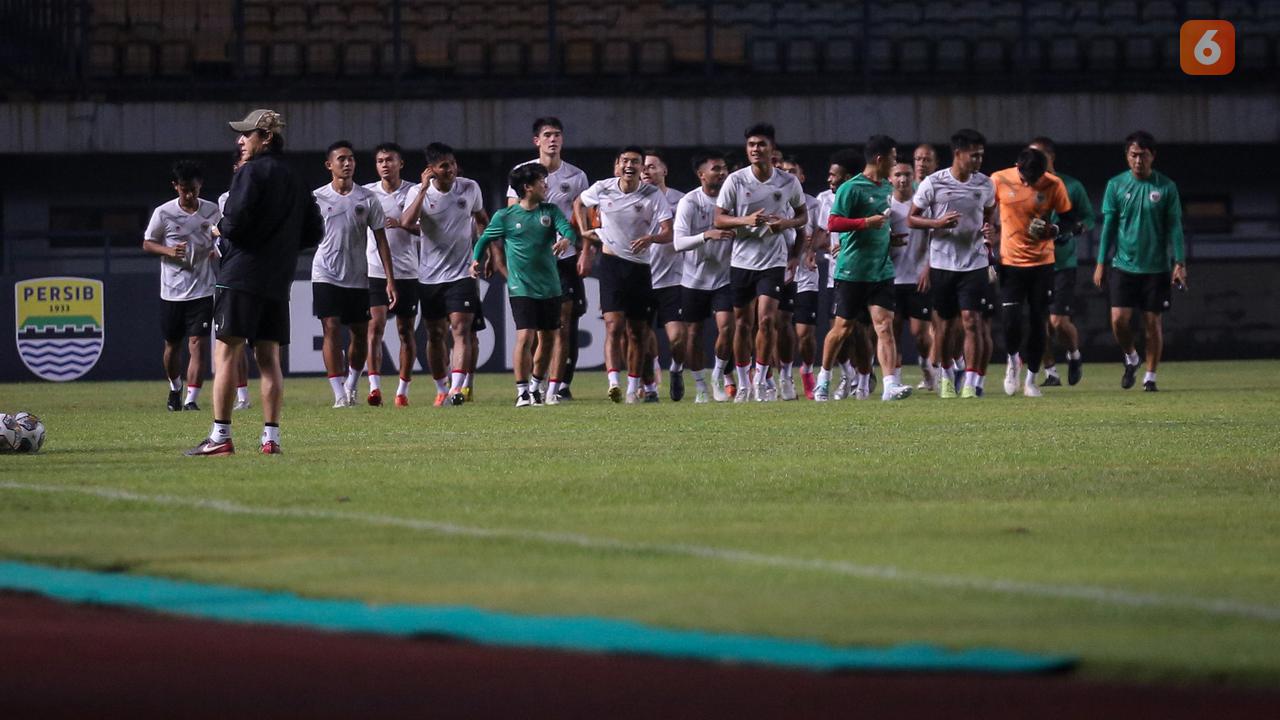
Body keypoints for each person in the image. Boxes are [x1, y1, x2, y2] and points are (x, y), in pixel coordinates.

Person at [186, 109, 322, 455]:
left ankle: (220, 437)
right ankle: (271, 439)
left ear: (266, 138)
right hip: (278, 278)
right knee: (269, 358)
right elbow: (314, 230)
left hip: (241, 275)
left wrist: (221, 229)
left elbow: (236, 223)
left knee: (227, 351)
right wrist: (280, 245)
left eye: (247, 135)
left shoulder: (249, 172)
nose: (240, 140)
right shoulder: (296, 177)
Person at [713, 123, 808, 403]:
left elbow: (803, 217)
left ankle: (761, 379)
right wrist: (745, 220)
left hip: (773, 261)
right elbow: (719, 219)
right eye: (751, 145)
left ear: (772, 149)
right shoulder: (736, 181)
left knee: (767, 320)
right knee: (742, 324)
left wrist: (785, 223)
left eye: (761, 145)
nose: (756, 149)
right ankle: (742, 383)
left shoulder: (788, 182)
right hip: (742, 261)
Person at [814, 135, 912, 402]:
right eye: (893, 157)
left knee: (884, 326)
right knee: (843, 329)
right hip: (852, 271)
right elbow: (833, 223)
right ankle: (823, 378)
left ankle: (890, 384)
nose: (895, 161)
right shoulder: (851, 188)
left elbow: (879, 224)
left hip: (880, 270)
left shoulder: (884, 189)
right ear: (880, 159)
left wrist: (887, 237)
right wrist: (865, 223)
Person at [576, 146, 674, 404]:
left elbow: (668, 231)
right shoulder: (602, 187)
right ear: (617, 165)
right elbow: (580, 202)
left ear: (642, 168)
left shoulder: (652, 195)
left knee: (637, 332)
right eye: (625, 161)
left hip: (640, 267)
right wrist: (588, 230)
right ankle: (613, 383)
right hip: (610, 264)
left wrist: (651, 238)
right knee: (613, 325)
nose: (630, 165)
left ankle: (634, 386)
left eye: (636, 162)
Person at [473, 163, 574, 406]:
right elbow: (485, 238)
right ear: (528, 187)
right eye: (542, 181)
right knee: (526, 336)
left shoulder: (550, 211)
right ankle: (521, 392)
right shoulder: (505, 216)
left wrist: (566, 241)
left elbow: (568, 229)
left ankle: (536, 386)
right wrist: (475, 260)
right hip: (521, 287)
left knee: (548, 338)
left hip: (550, 286)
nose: (546, 185)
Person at [1093, 130, 1186, 392]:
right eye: (1133, 155)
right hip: (1123, 265)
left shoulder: (1166, 187)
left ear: (1152, 156)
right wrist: (1101, 262)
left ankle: (1150, 377)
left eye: (1143, 155)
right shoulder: (1116, 185)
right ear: (1127, 156)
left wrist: (1180, 262)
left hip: (1156, 267)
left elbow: (1175, 228)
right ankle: (1131, 356)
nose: (1138, 160)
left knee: (1152, 323)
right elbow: (1109, 226)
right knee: (1118, 320)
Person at [507, 117, 590, 402]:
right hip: (532, 263)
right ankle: (532, 385)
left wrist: (581, 247)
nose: (553, 140)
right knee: (532, 331)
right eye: (547, 135)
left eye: (557, 134)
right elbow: (511, 215)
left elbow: (582, 217)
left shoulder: (576, 176)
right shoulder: (523, 173)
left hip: (564, 258)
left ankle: (558, 386)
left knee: (562, 324)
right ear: (537, 141)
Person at [909, 128, 996, 399]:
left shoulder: (985, 184)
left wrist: (990, 231)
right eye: (974, 155)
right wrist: (936, 223)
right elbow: (912, 218)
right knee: (944, 326)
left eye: (981, 155)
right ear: (958, 154)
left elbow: (989, 215)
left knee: (971, 321)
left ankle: (970, 383)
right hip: (943, 263)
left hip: (975, 263)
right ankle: (946, 375)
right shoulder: (934, 183)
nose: (979, 160)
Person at [402, 142, 489, 406]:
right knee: (435, 334)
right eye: (443, 166)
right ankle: (441, 387)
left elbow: (483, 219)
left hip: (462, 273)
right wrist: (422, 191)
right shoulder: (418, 192)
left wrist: (482, 254)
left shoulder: (469, 188)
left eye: (452, 164)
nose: (450, 169)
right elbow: (406, 223)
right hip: (429, 276)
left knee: (461, 329)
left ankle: (457, 390)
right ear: (431, 170)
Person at [312, 140, 398, 408]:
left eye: (351, 158)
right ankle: (338, 393)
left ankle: (351, 384)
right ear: (329, 165)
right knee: (331, 328)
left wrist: (389, 280)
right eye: (341, 159)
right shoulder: (317, 198)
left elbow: (381, 240)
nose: (347, 163)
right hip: (325, 272)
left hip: (358, 276)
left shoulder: (367, 198)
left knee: (360, 334)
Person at [991, 147, 1077, 398]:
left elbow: (1069, 218)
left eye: (1038, 176)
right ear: (1018, 167)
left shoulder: (1053, 184)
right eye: (1029, 176)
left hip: (1042, 264)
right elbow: (985, 210)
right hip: (1010, 262)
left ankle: (1031, 379)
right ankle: (1012, 361)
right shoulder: (998, 179)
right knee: (1010, 321)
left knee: (1039, 322)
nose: (1033, 181)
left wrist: (1056, 230)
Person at [143, 160, 220, 412]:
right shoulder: (163, 213)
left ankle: (191, 400)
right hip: (172, 291)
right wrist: (168, 250)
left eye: (194, 189)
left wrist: (217, 250)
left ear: (201, 186)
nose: (189, 194)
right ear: (175, 186)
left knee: (197, 343)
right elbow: (147, 243)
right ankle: (176, 388)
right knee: (172, 346)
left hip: (203, 288)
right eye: (184, 189)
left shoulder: (212, 210)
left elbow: (220, 238)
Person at [1027, 136, 1094, 388]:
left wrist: (1073, 229)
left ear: (1050, 157)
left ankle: (1074, 355)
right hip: (1033, 262)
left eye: (1038, 156)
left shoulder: (1071, 186)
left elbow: (1088, 218)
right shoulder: (1026, 186)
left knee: (1057, 321)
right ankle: (1051, 372)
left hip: (1063, 262)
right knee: (1039, 322)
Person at [675, 150, 736, 403]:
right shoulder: (689, 202)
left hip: (724, 277)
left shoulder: (733, 202)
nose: (722, 173)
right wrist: (706, 235)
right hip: (693, 280)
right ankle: (700, 386)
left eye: (724, 168)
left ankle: (718, 376)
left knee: (727, 327)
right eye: (715, 169)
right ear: (701, 175)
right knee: (693, 334)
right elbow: (678, 243)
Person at [363, 142, 420, 407]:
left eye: (390, 160)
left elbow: (425, 229)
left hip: (407, 271)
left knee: (406, 331)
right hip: (374, 269)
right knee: (375, 326)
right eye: (380, 161)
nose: (385, 164)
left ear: (401, 163)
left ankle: (402, 391)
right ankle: (374, 387)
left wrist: (404, 225)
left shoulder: (414, 191)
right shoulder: (367, 193)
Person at [814, 149, 863, 399]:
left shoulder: (866, 195)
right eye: (829, 175)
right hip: (839, 274)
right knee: (839, 327)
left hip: (867, 272)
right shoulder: (824, 199)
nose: (829, 180)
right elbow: (822, 234)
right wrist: (821, 247)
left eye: (834, 175)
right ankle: (847, 375)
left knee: (863, 330)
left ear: (848, 177)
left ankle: (864, 378)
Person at [642, 150, 690, 401]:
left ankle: (676, 369)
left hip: (673, 279)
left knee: (678, 340)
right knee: (643, 340)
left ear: (664, 170)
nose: (646, 171)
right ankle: (649, 382)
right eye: (644, 167)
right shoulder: (633, 199)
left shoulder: (681, 201)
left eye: (652, 166)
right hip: (642, 278)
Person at [886, 161, 933, 390]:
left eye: (906, 175)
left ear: (913, 177)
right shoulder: (885, 206)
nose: (902, 179)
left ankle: (926, 365)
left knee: (920, 334)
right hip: (892, 278)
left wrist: (928, 267)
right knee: (892, 330)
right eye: (898, 175)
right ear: (890, 179)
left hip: (917, 277)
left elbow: (935, 238)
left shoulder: (921, 204)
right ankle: (894, 378)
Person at [779, 156, 819, 401]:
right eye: (784, 171)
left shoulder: (814, 204)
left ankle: (807, 369)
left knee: (804, 333)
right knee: (780, 328)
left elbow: (823, 235)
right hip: (781, 273)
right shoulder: (775, 200)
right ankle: (784, 375)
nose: (789, 175)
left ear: (801, 177)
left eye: (793, 171)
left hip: (806, 275)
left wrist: (812, 247)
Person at [215, 154, 253, 411]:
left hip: (257, 274)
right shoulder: (225, 199)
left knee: (262, 347)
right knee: (233, 341)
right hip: (235, 272)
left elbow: (227, 229)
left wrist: (217, 230)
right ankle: (243, 397)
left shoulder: (268, 196)